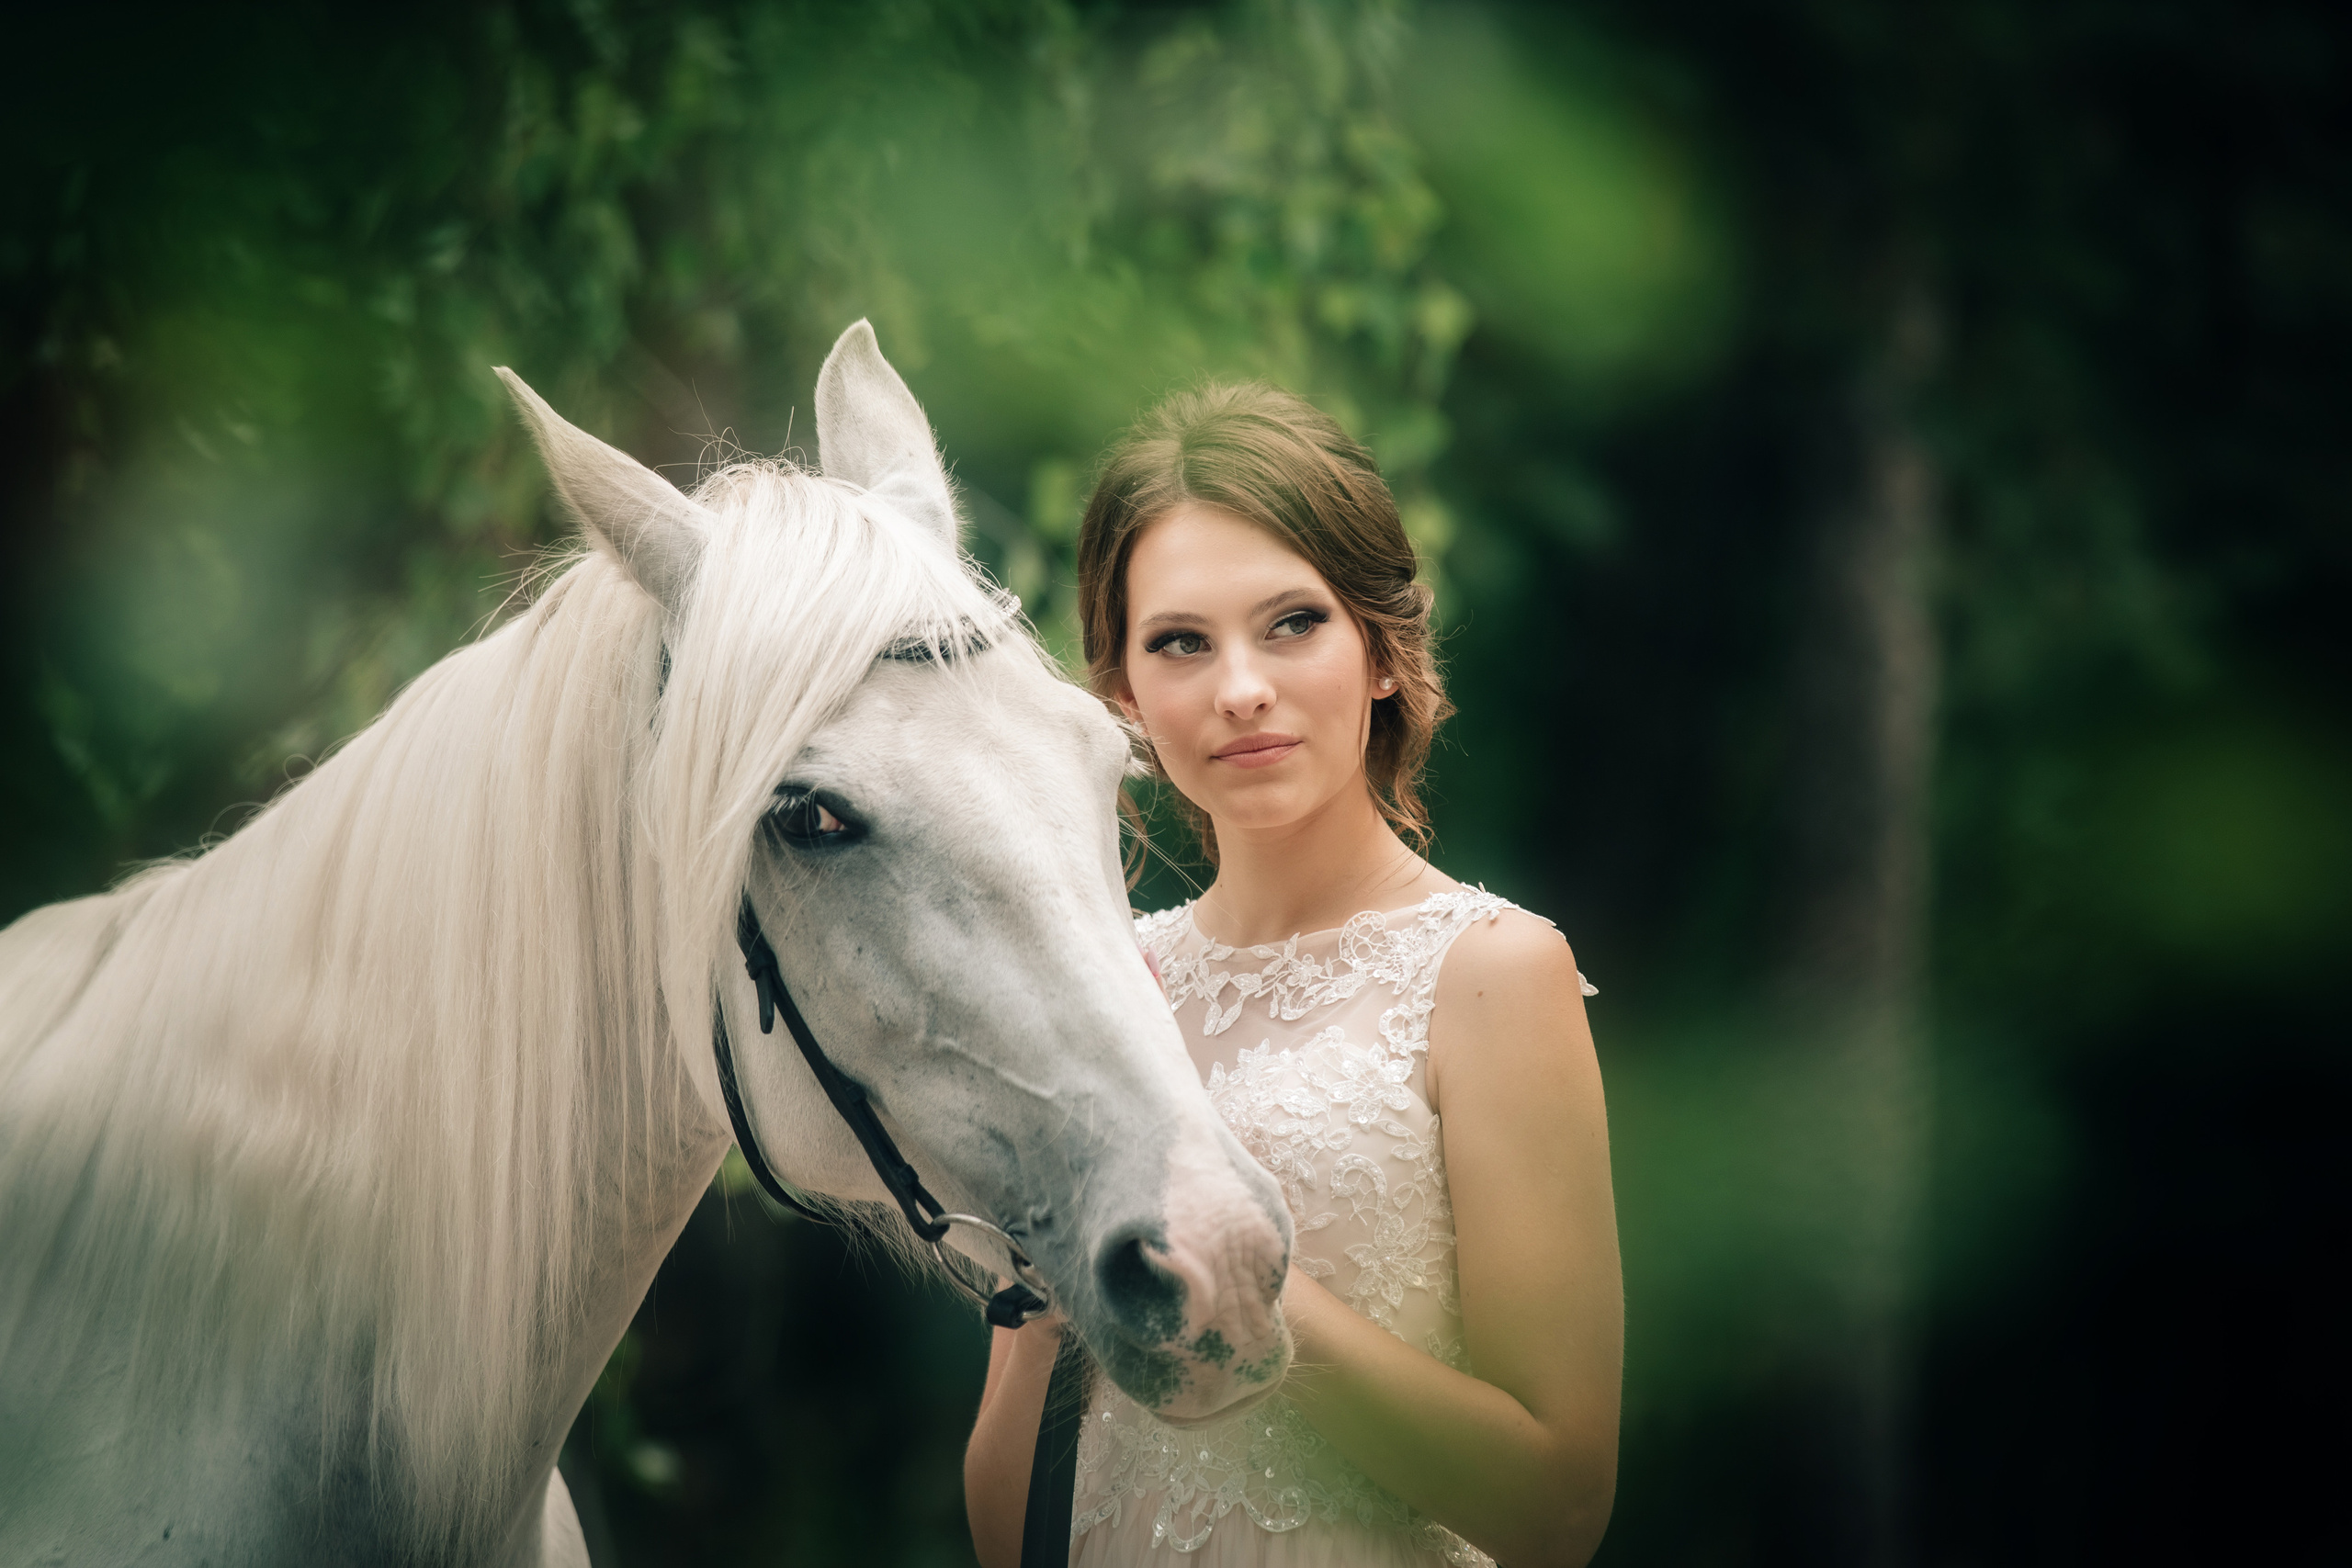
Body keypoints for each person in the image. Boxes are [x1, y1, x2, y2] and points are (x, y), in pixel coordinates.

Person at [964, 383, 1622, 1568]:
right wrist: (1035, 1313)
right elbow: (1011, 1525)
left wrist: (1244, 1290)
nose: (1239, 689)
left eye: (1291, 623)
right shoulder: (1104, 985)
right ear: (1123, 691)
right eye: (1180, 643)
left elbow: (1558, 1509)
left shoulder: (1492, 974)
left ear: (1382, 649)